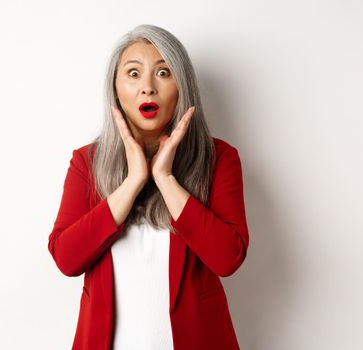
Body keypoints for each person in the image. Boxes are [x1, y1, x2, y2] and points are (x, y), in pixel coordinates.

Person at [47, 24, 249, 350]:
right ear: (115, 88)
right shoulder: (86, 162)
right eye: (133, 74)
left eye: (164, 72)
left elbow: (228, 258)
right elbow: (67, 259)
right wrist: (133, 182)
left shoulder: (219, 158)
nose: (148, 88)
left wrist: (165, 178)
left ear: (183, 86)